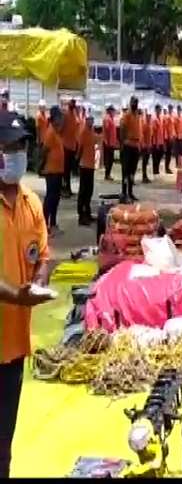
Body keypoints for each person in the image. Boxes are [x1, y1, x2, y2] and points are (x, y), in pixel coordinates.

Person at [0, 111, 54, 478]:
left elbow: (44, 256)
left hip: (15, 346)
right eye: (9, 147)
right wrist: (16, 296)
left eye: (21, 146)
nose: (18, 154)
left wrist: (39, 281)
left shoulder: (31, 202)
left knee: (4, 443)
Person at [41, 106, 66, 237]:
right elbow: (44, 151)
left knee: (55, 198)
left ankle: (53, 223)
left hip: (58, 170)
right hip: (51, 171)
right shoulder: (50, 132)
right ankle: (44, 225)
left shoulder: (56, 132)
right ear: (55, 118)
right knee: (50, 198)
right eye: (60, 117)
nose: (62, 119)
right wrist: (42, 166)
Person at [76, 106, 101, 226]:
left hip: (90, 165)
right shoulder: (83, 132)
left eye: (92, 120)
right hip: (84, 165)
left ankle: (87, 213)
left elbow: (97, 141)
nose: (91, 122)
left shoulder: (91, 132)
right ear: (86, 120)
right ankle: (81, 216)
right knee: (83, 191)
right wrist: (77, 160)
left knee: (89, 191)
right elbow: (80, 148)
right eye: (89, 120)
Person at [120, 96, 142, 203]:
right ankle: (124, 193)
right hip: (128, 145)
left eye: (136, 102)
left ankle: (130, 192)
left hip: (135, 146)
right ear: (130, 103)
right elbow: (122, 128)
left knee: (132, 172)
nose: (135, 104)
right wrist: (123, 142)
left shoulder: (137, 115)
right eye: (134, 102)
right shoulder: (127, 115)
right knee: (125, 171)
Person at [61, 98, 79, 197]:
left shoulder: (74, 115)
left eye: (74, 103)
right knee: (65, 170)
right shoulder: (66, 115)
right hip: (65, 146)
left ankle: (68, 188)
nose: (73, 105)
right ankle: (64, 189)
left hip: (72, 146)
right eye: (72, 103)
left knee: (69, 170)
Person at [102, 104, 118, 181]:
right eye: (113, 111)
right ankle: (107, 175)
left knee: (110, 160)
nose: (114, 112)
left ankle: (108, 174)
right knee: (109, 160)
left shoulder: (111, 119)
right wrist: (107, 142)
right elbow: (107, 131)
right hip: (108, 143)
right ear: (110, 111)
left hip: (111, 142)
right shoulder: (107, 119)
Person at [151, 105, 165, 178]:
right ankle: (155, 171)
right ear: (156, 110)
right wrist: (156, 143)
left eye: (160, 109)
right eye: (159, 109)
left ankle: (157, 169)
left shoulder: (161, 118)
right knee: (155, 157)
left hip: (160, 140)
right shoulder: (154, 119)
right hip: (155, 141)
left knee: (160, 155)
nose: (160, 111)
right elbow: (154, 132)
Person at [140, 108, 153, 184]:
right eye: (148, 116)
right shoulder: (145, 125)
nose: (149, 117)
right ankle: (144, 176)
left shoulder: (149, 125)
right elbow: (142, 135)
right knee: (144, 162)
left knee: (146, 161)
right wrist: (143, 144)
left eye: (150, 116)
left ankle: (145, 176)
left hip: (148, 145)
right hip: (145, 146)